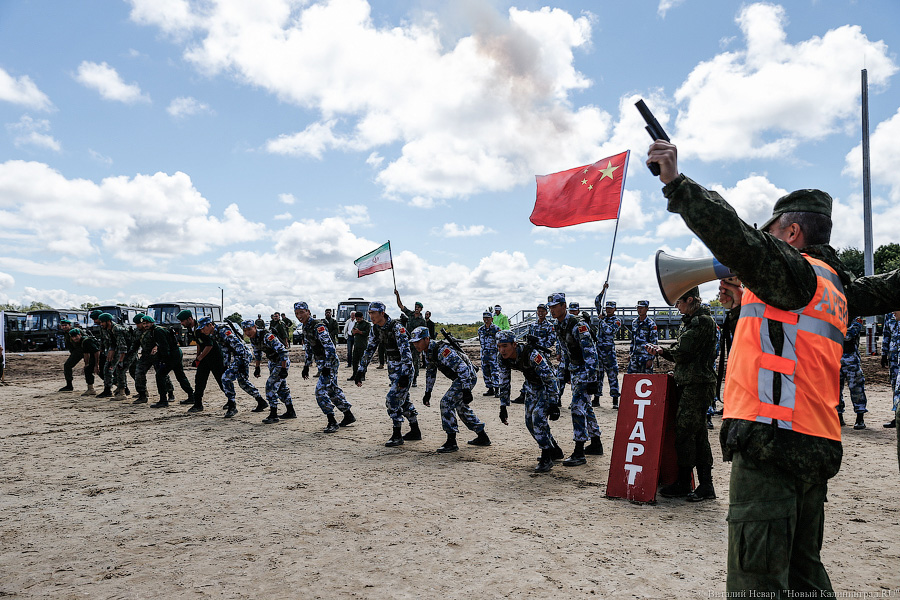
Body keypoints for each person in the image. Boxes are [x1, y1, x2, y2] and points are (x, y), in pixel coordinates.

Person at [647, 138, 900, 596]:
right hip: (816, 445)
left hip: (770, 445)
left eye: (774, 232)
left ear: (792, 233)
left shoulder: (793, 270)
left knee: (757, 581)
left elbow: (737, 238)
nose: (769, 240)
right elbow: (888, 287)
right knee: (804, 575)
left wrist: (678, 184)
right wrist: (743, 302)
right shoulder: (836, 284)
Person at [646, 286, 718, 501]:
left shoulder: (701, 322)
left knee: (686, 432)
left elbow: (684, 351)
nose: (676, 306)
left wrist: (662, 351)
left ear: (690, 300)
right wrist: (664, 351)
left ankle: (690, 483)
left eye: (679, 302)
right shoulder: (692, 321)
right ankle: (700, 484)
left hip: (697, 384)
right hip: (692, 383)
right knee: (696, 433)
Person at [411, 326, 490, 453]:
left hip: (466, 377)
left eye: (418, 341)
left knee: (446, 403)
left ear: (427, 339)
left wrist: (466, 390)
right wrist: (428, 392)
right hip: (461, 378)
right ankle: (482, 436)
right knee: (461, 407)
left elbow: (463, 368)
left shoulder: (442, 351)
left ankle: (451, 442)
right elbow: (430, 372)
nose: (415, 344)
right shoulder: (428, 352)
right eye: (414, 342)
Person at [496, 330, 565, 472]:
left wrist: (554, 403)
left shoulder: (531, 354)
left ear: (514, 344)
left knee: (538, 417)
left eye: (505, 346)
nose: (502, 350)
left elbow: (550, 378)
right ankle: (554, 450)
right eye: (499, 346)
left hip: (547, 385)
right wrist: (503, 405)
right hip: (532, 385)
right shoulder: (502, 358)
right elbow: (504, 381)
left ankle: (546, 456)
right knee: (529, 422)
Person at [354, 301, 421, 446]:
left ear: (382, 313)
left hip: (404, 369)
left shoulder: (397, 328)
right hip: (393, 369)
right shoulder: (376, 329)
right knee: (404, 401)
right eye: (369, 313)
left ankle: (397, 434)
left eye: (373, 313)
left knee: (392, 399)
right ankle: (415, 430)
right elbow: (370, 349)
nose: (370, 316)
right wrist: (361, 370)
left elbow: (406, 352)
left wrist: (405, 374)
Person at [548, 292, 603, 466]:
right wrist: (564, 371)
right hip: (575, 370)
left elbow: (590, 352)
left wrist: (593, 379)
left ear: (564, 306)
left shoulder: (577, 325)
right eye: (550, 307)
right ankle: (596, 443)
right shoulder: (558, 325)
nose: (552, 310)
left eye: (555, 307)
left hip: (586, 371)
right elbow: (565, 350)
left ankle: (579, 451)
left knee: (577, 407)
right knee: (586, 407)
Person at [295, 302, 355, 433]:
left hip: (330, 361)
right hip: (321, 362)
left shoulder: (318, 326)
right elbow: (309, 347)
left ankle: (331, 421)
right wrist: (306, 365)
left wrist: (328, 366)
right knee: (332, 390)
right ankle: (348, 415)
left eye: (301, 312)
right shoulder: (305, 327)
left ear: (308, 312)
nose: (299, 316)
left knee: (320, 391)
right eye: (296, 313)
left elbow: (330, 347)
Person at [198, 316, 266, 418]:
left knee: (226, 378)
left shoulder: (223, 330)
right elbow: (225, 349)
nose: (202, 331)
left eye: (204, 328)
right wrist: (226, 364)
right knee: (243, 382)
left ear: (210, 325)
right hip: (238, 356)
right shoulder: (214, 333)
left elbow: (238, 345)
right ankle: (261, 401)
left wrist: (242, 363)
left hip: (242, 355)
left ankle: (232, 406)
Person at [244, 319, 297, 424]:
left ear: (255, 327)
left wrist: (283, 369)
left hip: (281, 362)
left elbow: (283, 352)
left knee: (270, 386)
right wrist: (257, 367)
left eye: (249, 329)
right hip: (273, 362)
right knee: (281, 388)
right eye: (245, 330)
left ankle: (273, 414)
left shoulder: (267, 336)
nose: (247, 332)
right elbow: (257, 353)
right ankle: (290, 411)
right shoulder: (253, 339)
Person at [140, 315, 194, 408]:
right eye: (144, 324)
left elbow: (164, 346)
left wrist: (164, 360)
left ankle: (163, 400)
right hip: (175, 353)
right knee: (180, 376)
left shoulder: (157, 331)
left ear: (152, 323)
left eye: (147, 323)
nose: (145, 325)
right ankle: (191, 396)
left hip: (172, 354)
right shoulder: (156, 330)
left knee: (160, 375)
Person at [178, 309, 226, 413]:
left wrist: (200, 357)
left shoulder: (201, 328)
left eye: (182, 321)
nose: (181, 323)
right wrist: (197, 357)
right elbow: (199, 343)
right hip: (204, 358)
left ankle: (231, 401)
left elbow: (209, 345)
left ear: (189, 319)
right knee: (199, 380)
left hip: (215, 357)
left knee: (221, 380)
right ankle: (198, 404)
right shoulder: (192, 329)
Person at [131, 314, 175, 405]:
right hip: (145, 355)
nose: (142, 325)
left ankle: (170, 393)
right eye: (142, 323)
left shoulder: (155, 330)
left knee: (162, 374)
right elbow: (135, 344)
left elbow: (162, 342)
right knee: (138, 372)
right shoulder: (138, 332)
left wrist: (156, 347)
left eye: (140, 323)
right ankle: (142, 395)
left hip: (156, 356)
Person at [594, 286, 622, 409]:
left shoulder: (617, 320)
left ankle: (615, 400)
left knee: (612, 376)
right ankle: (596, 399)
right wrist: (603, 290)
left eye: (611, 308)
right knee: (598, 376)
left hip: (609, 353)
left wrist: (601, 321)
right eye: (607, 308)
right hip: (599, 351)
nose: (608, 310)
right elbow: (597, 301)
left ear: (615, 309)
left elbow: (610, 331)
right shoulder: (602, 316)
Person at [837, 317, 868, 430]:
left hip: (851, 361)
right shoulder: (834, 315)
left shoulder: (856, 319)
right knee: (835, 389)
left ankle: (860, 418)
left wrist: (834, 331)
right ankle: (838, 416)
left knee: (856, 389)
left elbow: (848, 335)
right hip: (835, 358)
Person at [394, 290, 427, 387]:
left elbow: (424, 333)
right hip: (407, 341)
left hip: (417, 343)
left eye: (418, 307)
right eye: (416, 307)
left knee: (415, 361)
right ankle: (402, 379)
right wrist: (397, 295)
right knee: (403, 359)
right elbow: (400, 306)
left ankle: (414, 379)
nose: (416, 308)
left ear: (421, 309)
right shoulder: (410, 314)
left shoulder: (422, 321)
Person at [98, 313, 131, 400]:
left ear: (108, 321)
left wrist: (121, 360)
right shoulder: (108, 329)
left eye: (102, 322)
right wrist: (111, 351)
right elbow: (112, 342)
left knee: (121, 369)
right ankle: (109, 390)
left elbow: (123, 345)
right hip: (118, 349)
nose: (101, 324)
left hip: (128, 350)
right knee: (108, 367)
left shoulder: (116, 329)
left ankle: (123, 392)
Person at [627, 300, 657, 374]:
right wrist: (630, 354)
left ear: (647, 309)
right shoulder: (634, 322)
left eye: (641, 308)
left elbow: (654, 342)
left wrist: (651, 359)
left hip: (645, 357)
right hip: (634, 357)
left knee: (646, 378)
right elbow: (633, 340)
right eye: (638, 308)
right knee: (632, 377)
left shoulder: (651, 324)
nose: (639, 310)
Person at [68, 328, 100, 396]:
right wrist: (86, 364)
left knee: (103, 373)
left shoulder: (86, 341)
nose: (75, 338)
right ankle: (91, 389)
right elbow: (86, 354)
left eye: (76, 336)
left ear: (80, 334)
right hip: (93, 357)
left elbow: (97, 352)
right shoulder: (81, 342)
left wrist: (97, 365)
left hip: (100, 357)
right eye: (73, 337)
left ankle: (120, 387)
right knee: (87, 369)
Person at [883, 311, 900, 428]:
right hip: (894, 357)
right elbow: (886, 334)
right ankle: (897, 417)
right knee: (896, 386)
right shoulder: (890, 314)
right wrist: (884, 354)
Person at [477, 311, 501, 396]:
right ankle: (490, 389)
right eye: (485, 318)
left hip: (494, 354)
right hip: (484, 354)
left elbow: (500, 341)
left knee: (495, 371)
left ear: (492, 319)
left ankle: (497, 390)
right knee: (485, 372)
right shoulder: (480, 329)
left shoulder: (496, 329)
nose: (486, 320)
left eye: (488, 318)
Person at [58, 319, 83, 392]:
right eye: (62, 325)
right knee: (67, 366)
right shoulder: (66, 333)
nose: (64, 327)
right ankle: (69, 385)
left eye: (65, 325)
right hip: (76, 352)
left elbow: (85, 339)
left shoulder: (76, 331)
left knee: (94, 367)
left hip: (84, 350)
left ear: (70, 325)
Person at [350, 312, 370, 379]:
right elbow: (352, 332)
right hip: (356, 345)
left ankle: (362, 375)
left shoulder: (367, 324)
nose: (357, 320)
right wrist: (353, 332)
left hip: (363, 345)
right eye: (356, 319)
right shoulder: (356, 324)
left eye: (358, 319)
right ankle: (354, 374)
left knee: (363, 361)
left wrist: (359, 332)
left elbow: (367, 333)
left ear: (362, 317)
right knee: (354, 361)